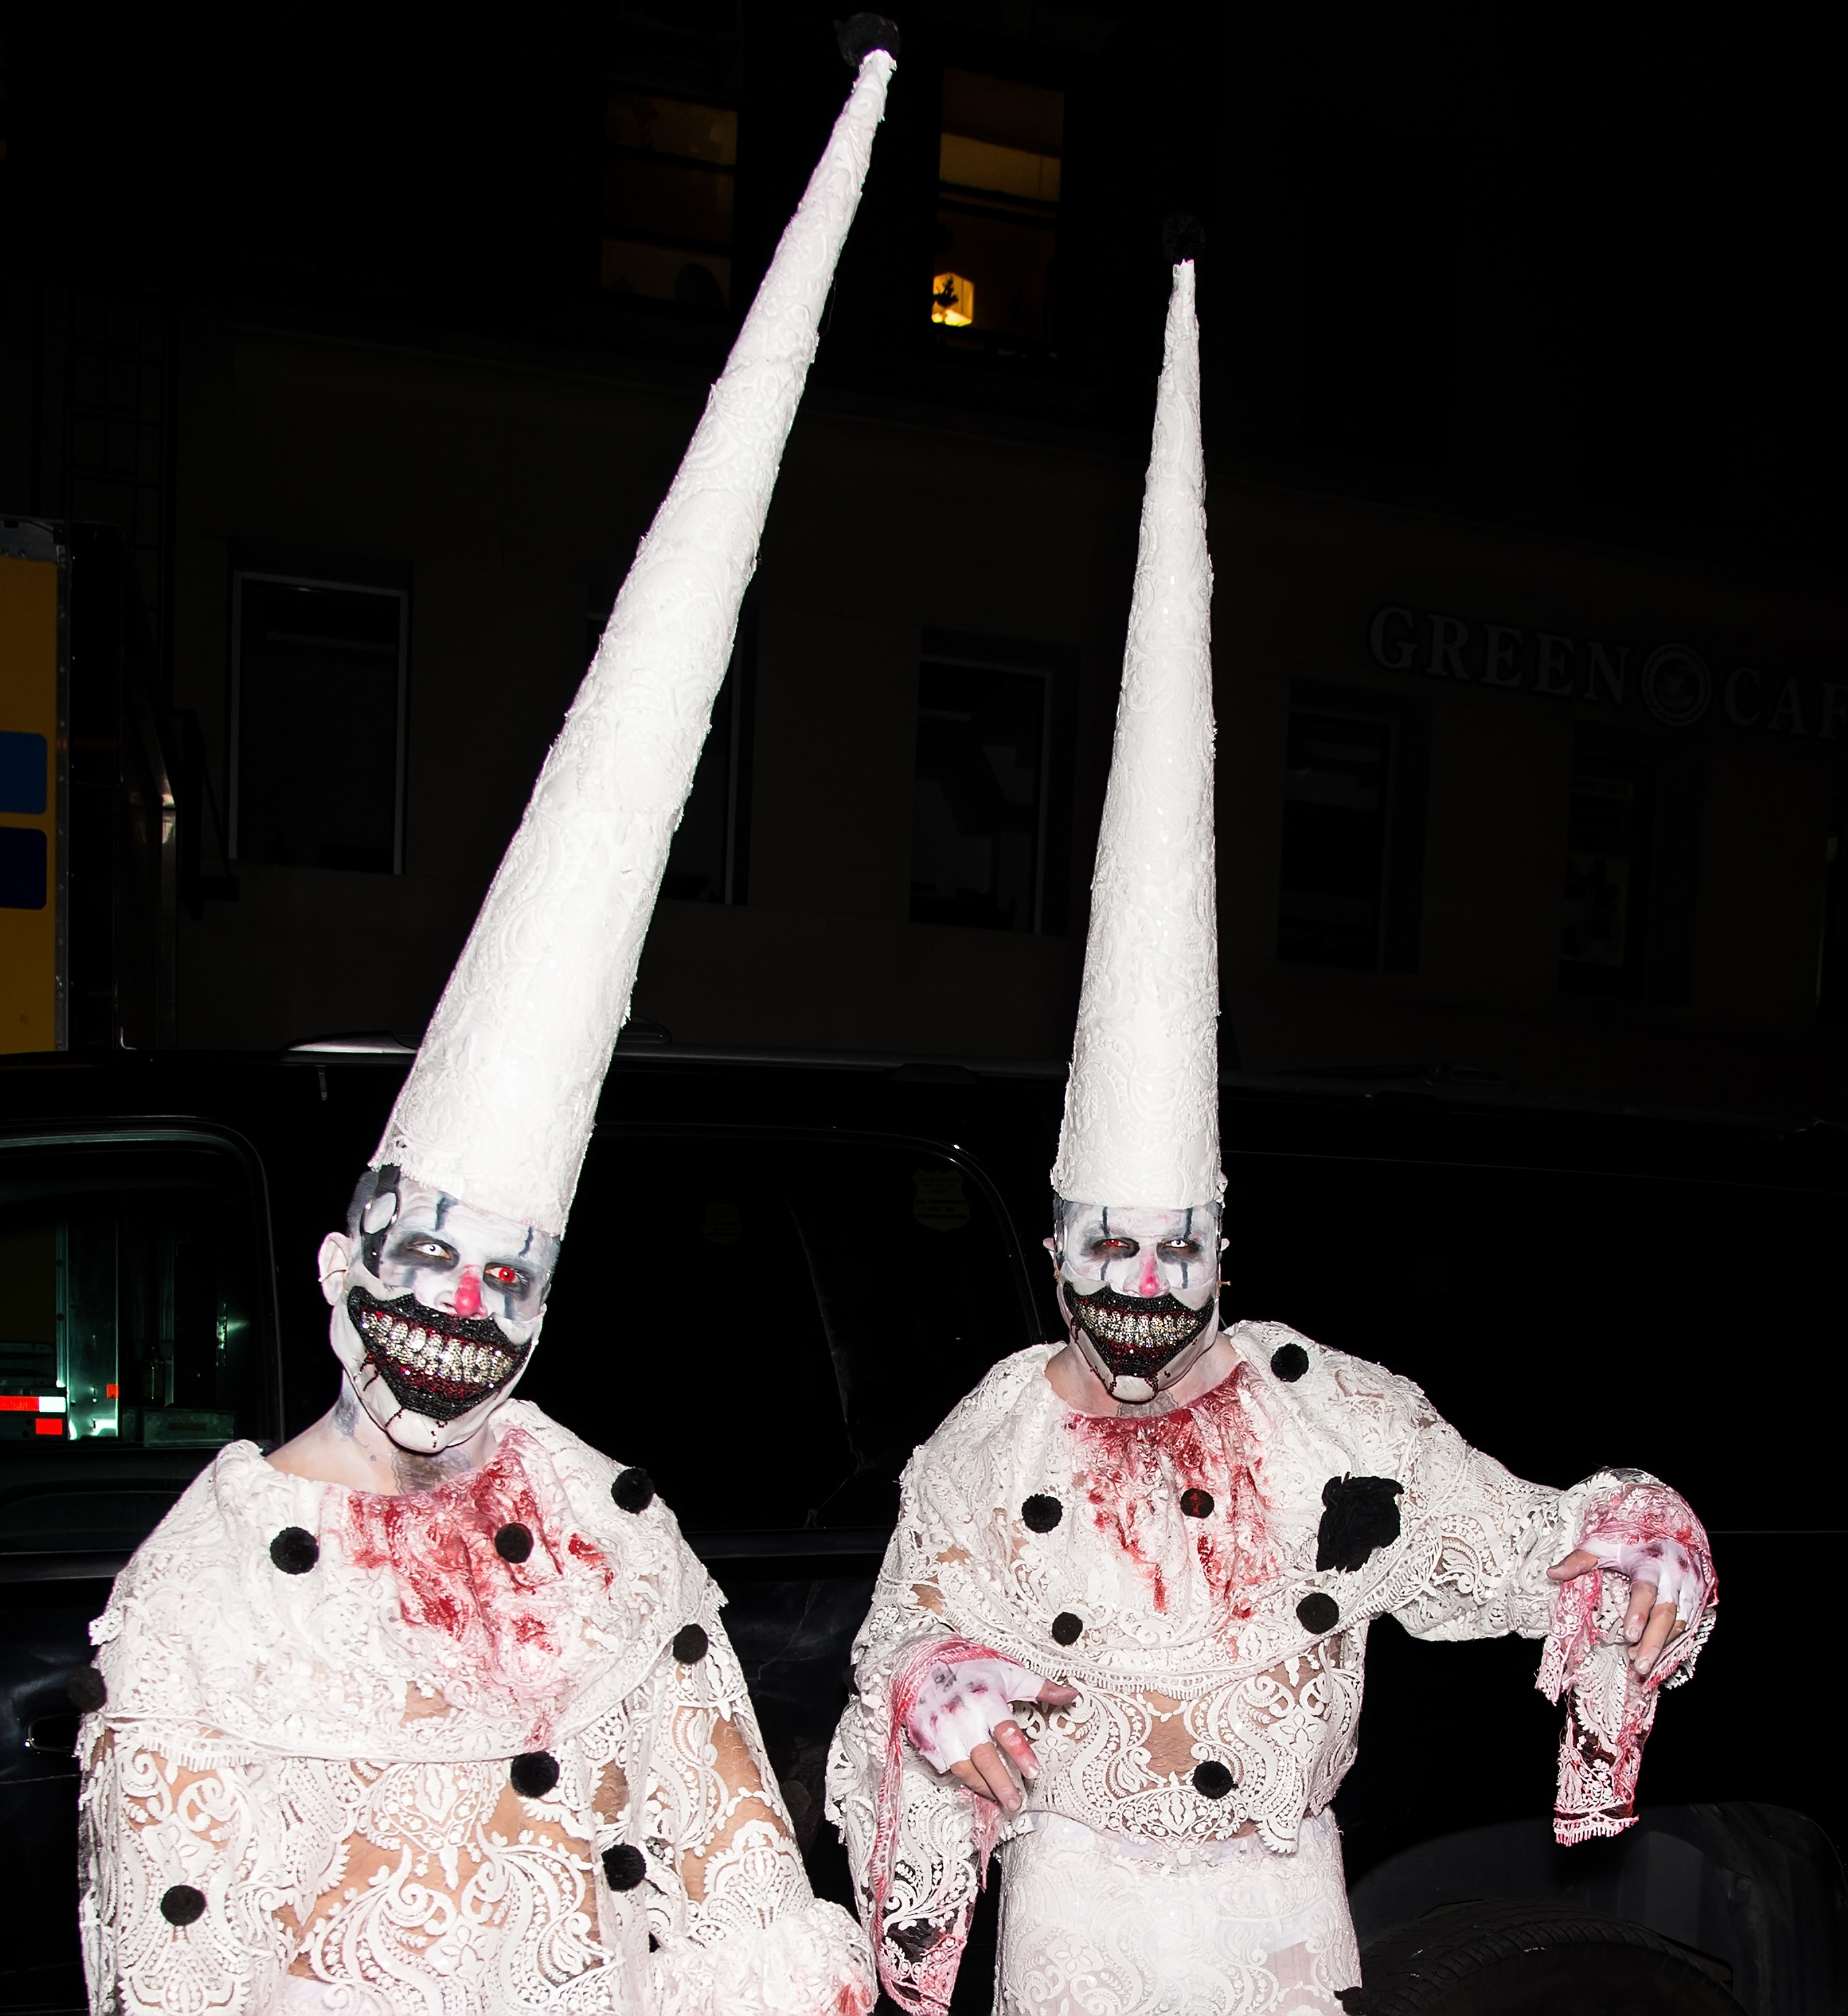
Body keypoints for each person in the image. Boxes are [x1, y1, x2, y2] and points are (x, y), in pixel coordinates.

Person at [73, 22, 904, 2015]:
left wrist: (775, 1962)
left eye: (504, 1267)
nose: (454, 1301)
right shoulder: (197, 1593)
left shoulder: (619, 1539)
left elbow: (721, 1847)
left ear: (546, 1298)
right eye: (423, 1246)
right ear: (344, 1252)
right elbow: (183, 1963)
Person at [825, 237, 1716, 2016]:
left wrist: (1635, 1551)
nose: (1141, 1292)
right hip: (1076, 1946)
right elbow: (890, 1683)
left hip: (1286, 1946)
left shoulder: (1333, 1420)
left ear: (1221, 1245)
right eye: (1105, 1251)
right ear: (1060, 1241)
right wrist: (925, 1715)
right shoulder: (989, 1445)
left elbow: (1507, 1543)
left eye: (1175, 1253)